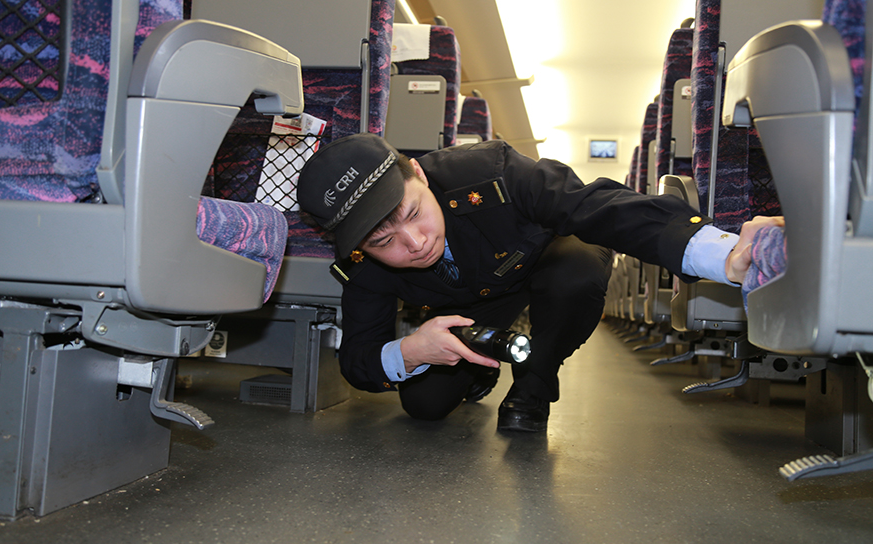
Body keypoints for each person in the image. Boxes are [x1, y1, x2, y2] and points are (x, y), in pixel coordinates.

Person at [296, 133, 781, 432]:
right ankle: (485, 365)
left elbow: (599, 206)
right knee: (424, 405)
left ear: (419, 172)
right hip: (478, 303)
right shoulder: (363, 264)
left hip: (550, 258)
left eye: (413, 213)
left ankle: (535, 381)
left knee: (577, 276)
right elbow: (358, 359)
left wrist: (729, 253)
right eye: (385, 241)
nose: (414, 243)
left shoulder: (491, 172)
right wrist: (412, 352)